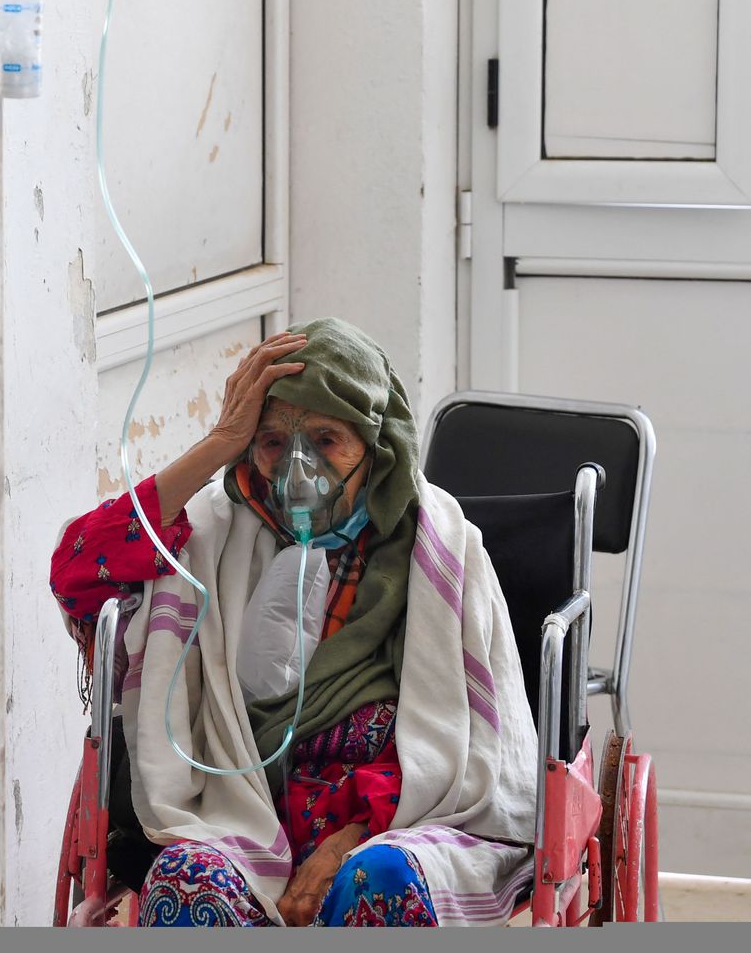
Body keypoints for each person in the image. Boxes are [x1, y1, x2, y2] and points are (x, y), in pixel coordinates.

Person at [50, 317, 539, 927]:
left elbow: (454, 755)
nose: (297, 469)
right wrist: (219, 443)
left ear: (376, 447)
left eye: (327, 439)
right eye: (273, 441)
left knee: (377, 876)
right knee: (185, 878)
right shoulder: (211, 536)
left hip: (402, 827)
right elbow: (76, 571)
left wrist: (343, 846)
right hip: (236, 817)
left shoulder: (438, 550)